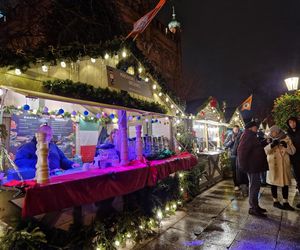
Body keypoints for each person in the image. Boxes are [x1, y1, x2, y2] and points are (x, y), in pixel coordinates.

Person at [15, 124, 79, 174]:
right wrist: (39, 163)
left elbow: (62, 159)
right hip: (37, 179)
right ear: (38, 134)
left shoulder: (53, 146)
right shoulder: (28, 147)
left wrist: (71, 164)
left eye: (49, 135)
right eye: (44, 134)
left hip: (55, 177)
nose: (47, 137)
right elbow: (18, 161)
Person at [237, 121, 268, 217]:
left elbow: (255, 147)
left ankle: (255, 206)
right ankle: (253, 208)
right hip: (252, 167)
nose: (257, 128)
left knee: (256, 186)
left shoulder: (251, 135)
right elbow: (241, 152)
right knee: (254, 186)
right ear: (251, 127)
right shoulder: (248, 136)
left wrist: (265, 142)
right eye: (256, 127)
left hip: (254, 166)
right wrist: (244, 166)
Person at [264, 125, 296, 210]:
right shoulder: (268, 139)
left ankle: (286, 202)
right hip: (273, 165)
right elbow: (265, 151)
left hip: (283, 164)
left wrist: (286, 146)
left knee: (285, 184)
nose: (271, 133)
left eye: (273, 132)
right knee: (273, 183)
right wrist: (271, 145)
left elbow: (293, 151)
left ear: (277, 132)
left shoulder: (286, 138)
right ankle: (275, 201)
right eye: (271, 132)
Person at [286, 117, 300, 209]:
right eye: (290, 123)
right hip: (295, 159)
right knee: (298, 179)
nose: (292, 124)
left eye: (294, 122)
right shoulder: (288, 134)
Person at [224, 125, 242, 191]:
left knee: (240, 170)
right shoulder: (230, 135)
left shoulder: (241, 135)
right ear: (233, 129)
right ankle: (236, 185)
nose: (236, 131)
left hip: (240, 155)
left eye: (237, 129)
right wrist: (231, 140)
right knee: (234, 170)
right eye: (235, 129)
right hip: (233, 155)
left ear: (239, 129)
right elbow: (225, 144)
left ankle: (241, 183)